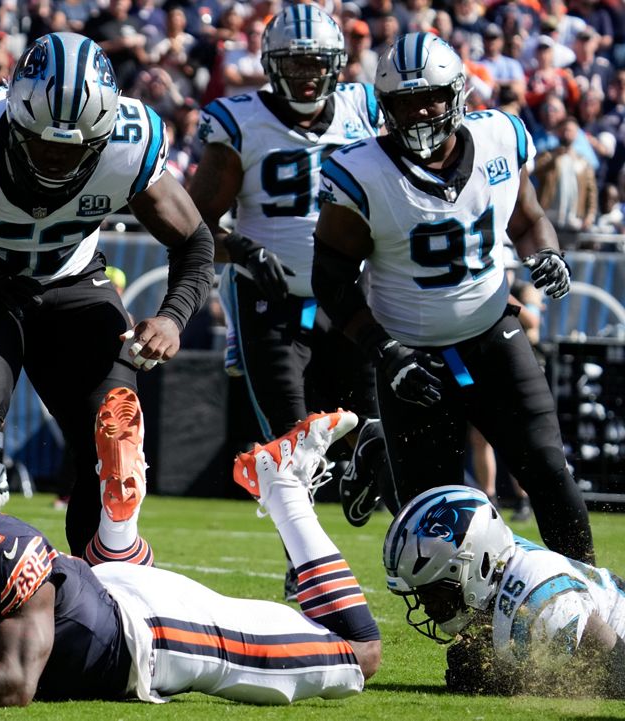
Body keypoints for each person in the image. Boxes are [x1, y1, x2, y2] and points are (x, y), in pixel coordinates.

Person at [0, 32, 215, 565]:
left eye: (73, 149)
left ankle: (105, 581)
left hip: (73, 281)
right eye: (41, 142)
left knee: (112, 432)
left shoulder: (130, 143)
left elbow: (194, 239)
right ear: (13, 116)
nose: (54, 159)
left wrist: (172, 317)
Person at [0, 411, 381, 706]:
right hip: (98, 593)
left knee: (360, 653)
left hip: (156, 634)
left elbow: (16, 682)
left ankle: (281, 486)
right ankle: (117, 528)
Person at [310, 32, 594, 564]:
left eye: (431, 97)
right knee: (433, 522)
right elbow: (331, 279)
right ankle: (474, 637)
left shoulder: (501, 138)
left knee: (550, 473)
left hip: (493, 337)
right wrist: (385, 352)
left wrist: (546, 253)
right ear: (385, 107)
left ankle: (589, 600)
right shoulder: (360, 172)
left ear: (458, 92)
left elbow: (529, 218)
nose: (419, 111)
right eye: (404, 101)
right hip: (412, 357)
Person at [188, 4, 386, 531]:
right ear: (271, 64)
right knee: (290, 446)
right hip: (270, 301)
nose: (306, 75)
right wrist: (247, 251)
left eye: (316, 63)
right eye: (294, 63)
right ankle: (303, 567)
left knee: (379, 426)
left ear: (336, 64)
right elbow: (192, 222)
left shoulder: (363, 108)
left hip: (348, 296)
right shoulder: (240, 121)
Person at [384, 485, 625, 697]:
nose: (427, 606)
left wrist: (500, 679)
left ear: (477, 567)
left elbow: (617, 667)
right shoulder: (497, 558)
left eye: (434, 592)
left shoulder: (540, 602)